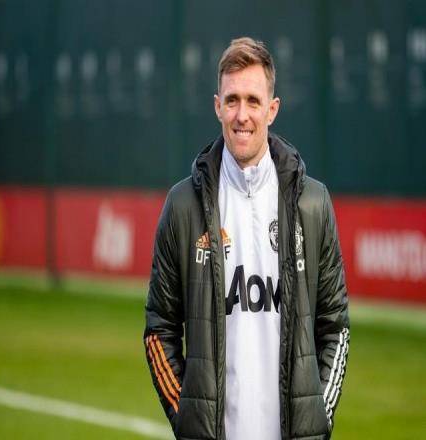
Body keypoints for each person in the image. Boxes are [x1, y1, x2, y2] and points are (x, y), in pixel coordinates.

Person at [144, 37, 349, 440]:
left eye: (253, 101)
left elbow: (335, 327)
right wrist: (187, 416)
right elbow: (159, 329)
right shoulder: (183, 206)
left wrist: (318, 416)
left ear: (272, 109)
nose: (242, 115)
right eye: (232, 100)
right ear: (217, 106)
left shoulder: (312, 204)